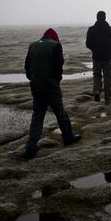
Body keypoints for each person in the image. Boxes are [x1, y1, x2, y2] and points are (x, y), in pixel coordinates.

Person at [21, 28, 81, 160]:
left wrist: (33, 78)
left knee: (37, 116)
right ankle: (68, 138)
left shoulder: (33, 45)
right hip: (51, 86)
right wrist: (56, 80)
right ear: (54, 38)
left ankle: (30, 147)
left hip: (36, 86)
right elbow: (58, 66)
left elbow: (27, 67)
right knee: (60, 113)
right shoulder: (55, 45)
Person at [86, 11, 111, 104]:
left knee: (96, 75)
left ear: (97, 18)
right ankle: (107, 95)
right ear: (105, 18)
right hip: (107, 57)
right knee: (108, 76)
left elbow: (88, 43)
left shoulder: (91, 29)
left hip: (96, 57)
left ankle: (97, 91)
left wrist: (94, 50)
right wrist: (110, 50)